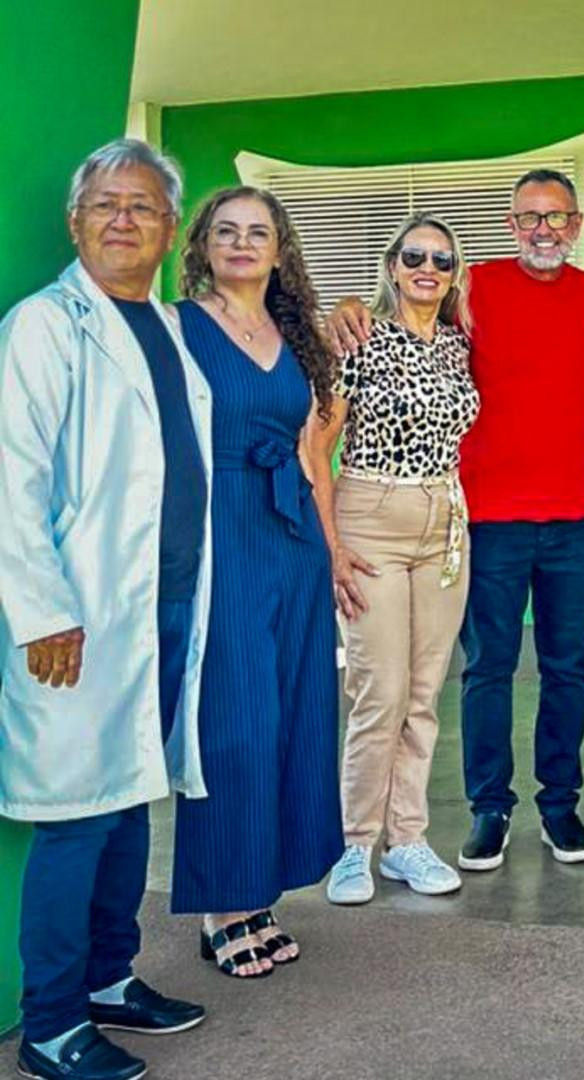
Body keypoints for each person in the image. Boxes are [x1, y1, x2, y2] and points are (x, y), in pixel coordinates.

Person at [331, 169, 584, 868]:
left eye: (556, 217)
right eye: (530, 217)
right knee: (488, 668)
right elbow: (401, 309)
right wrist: (344, 306)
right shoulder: (475, 289)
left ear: (575, 224)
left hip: (575, 517)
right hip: (486, 517)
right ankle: (489, 809)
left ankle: (560, 806)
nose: (543, 230)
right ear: (510, 224)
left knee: (568, 668)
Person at [0, 138, 210, 1080]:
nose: (123, 220)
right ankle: (50, 1024)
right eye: (105, 205)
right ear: (75, 222)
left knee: (131, 800)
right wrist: (43, 611)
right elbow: (10, 477)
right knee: (78, 814)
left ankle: (111, 979)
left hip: (164, 604)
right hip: (78, 614)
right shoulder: (44, 327)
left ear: (169, 229)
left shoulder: (165, 326)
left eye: (142, 207)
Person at [170, 185, 344, 977]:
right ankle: (222, 905)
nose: (242, 243)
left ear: (280, 252)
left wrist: (332, 552)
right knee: (233, 717)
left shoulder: (296, 333)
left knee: (292, 714)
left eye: (258, 233)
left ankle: (260, 890)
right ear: (203, 245)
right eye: (227, 231)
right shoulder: (175, 327)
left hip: (292, 535)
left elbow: (313, 453)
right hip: (220, 532)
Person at [310, 213, 480, 905]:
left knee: (422, 695)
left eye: (442, 259)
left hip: (444, 523)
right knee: (377, 691)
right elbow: (315, 446)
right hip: (371, 514)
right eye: (414, 257)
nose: (427, 269)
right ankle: (354, 845)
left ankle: (406, 839)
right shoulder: (359, 339)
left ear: (455, 273)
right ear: (392, 265)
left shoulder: (459, 345)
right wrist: (332, 546)